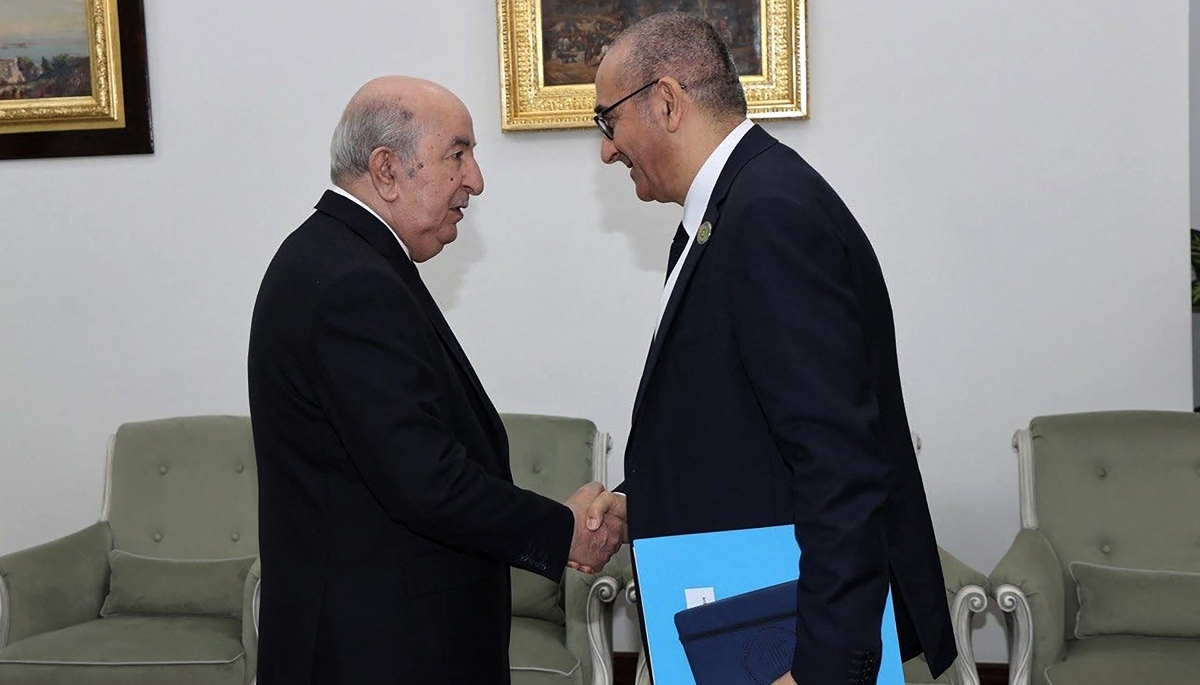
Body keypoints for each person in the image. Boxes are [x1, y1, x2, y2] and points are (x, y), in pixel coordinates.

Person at [583, 13, 957, 685]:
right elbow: (737, 420)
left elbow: (838, 463)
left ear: (666, 102)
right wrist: (639, 497)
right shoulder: (727, 210)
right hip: (744, 616)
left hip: (789, 645)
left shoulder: (769, 215)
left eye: (608, 122)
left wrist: (820, 670)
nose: (607, 151)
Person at [247, 76, 620, 685]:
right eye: (457, 154)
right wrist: (563, 532)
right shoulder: (353, 283)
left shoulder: (344, 258)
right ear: (388, 169)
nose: (475, 179)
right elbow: (424, 481)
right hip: (380, 652)